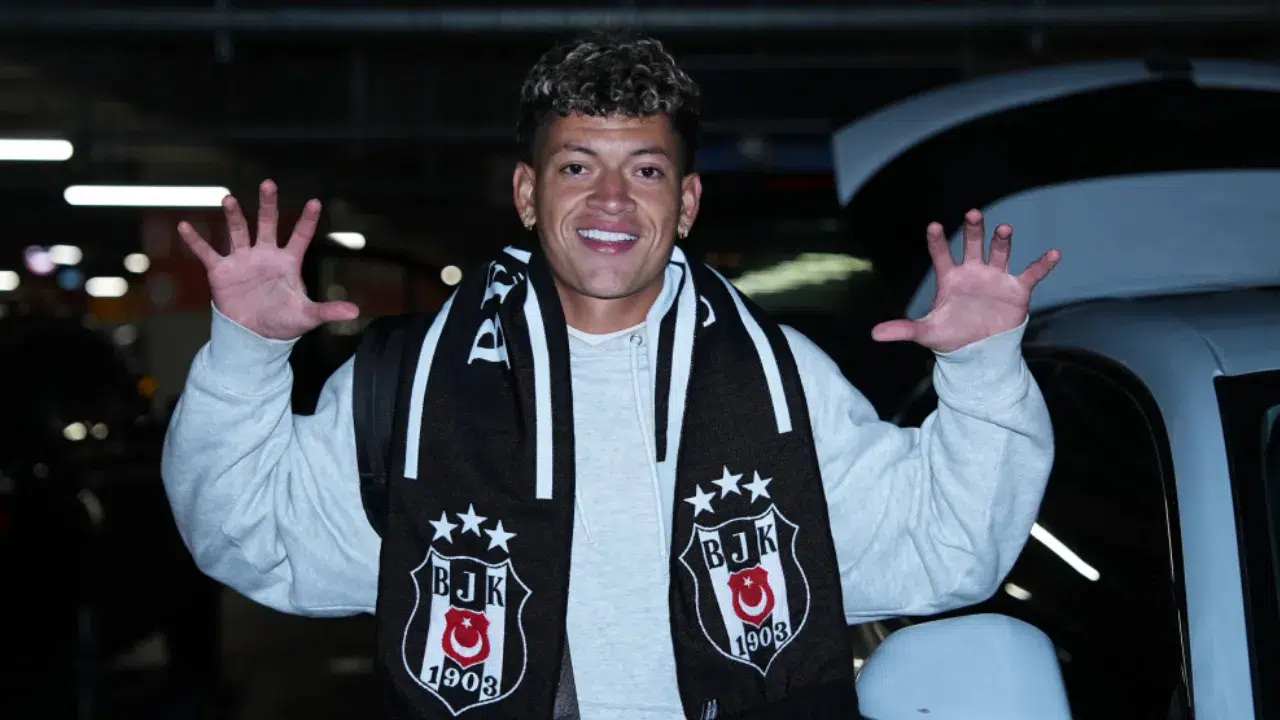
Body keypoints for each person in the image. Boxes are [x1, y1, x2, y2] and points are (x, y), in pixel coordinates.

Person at [162, 32, 1059, 720]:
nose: (612, 201)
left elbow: (947, 549)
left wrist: (982, 373)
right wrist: (245, 354)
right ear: (528, 193)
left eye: (647, 170)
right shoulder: (413, 383)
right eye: (577, 166)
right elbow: (250, 538)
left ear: (687, 202)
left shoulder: (781, 379)